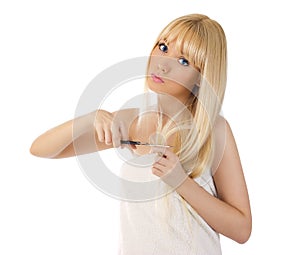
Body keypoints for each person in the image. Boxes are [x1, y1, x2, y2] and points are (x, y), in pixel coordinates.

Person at [30, 13, 252, 254]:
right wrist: (89, 118)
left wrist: (180, 181)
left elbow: (241, 229)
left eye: (184, 61)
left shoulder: (214, 131)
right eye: (163, 46)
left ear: (202, 77)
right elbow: (41, 149)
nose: (162, 64)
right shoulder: (132, 122)